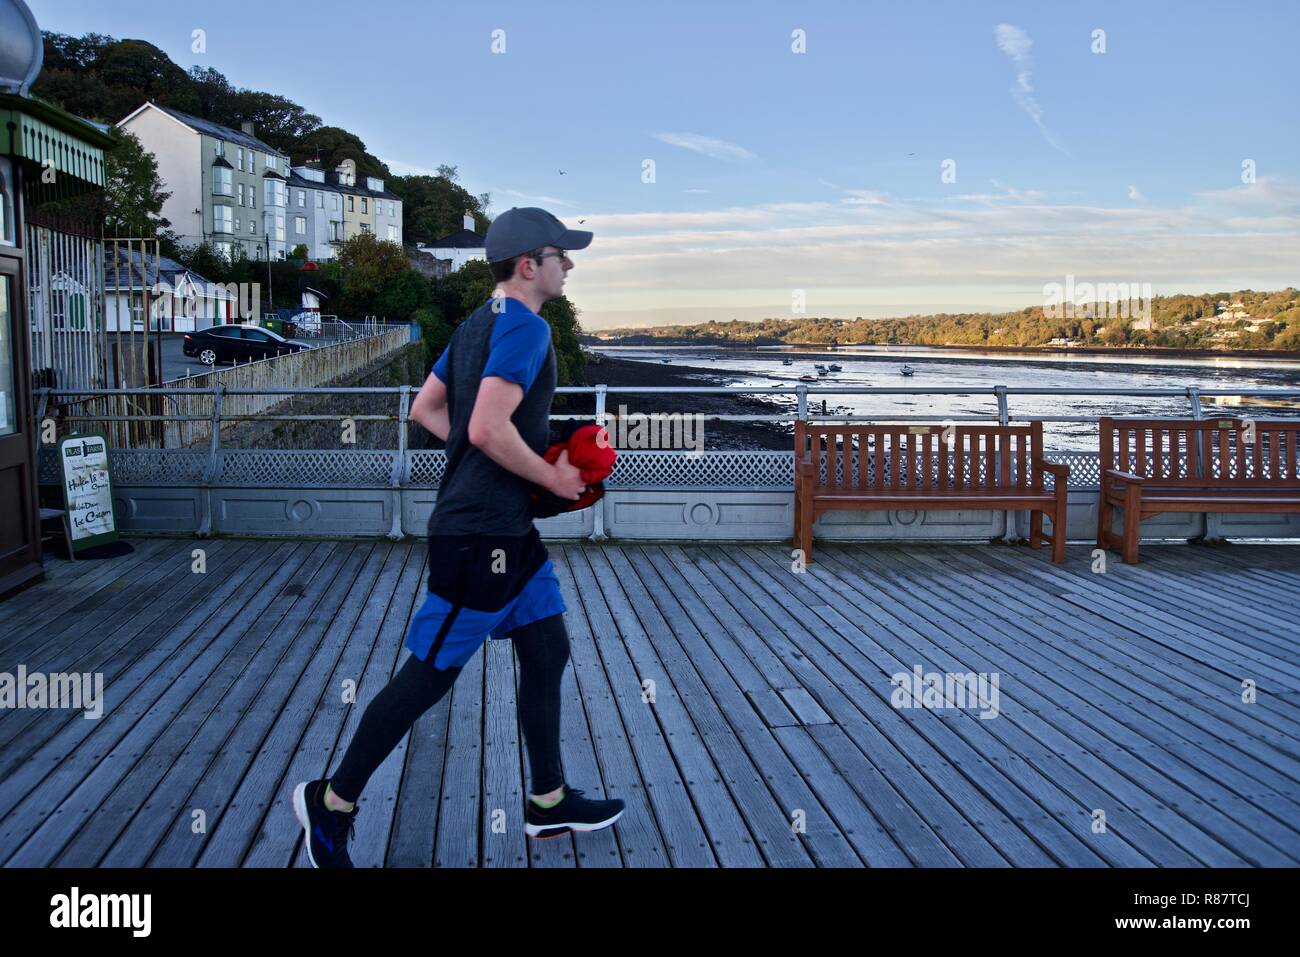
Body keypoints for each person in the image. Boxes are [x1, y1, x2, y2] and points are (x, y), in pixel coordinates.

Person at [292, 208, 625, 867]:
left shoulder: (478, 323)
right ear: (529, 264)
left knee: (547, 645)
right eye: (563, 255)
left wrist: (499, 461)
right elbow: (484, 429)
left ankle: (549, 799)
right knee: (427, 676)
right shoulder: (526, 328)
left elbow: (427, 410)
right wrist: (550, 478)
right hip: (476, 538)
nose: (571, 265)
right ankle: (330, 802)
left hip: (510, 535)